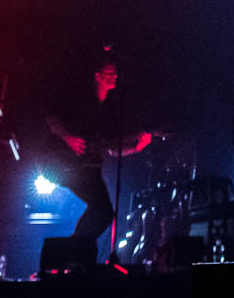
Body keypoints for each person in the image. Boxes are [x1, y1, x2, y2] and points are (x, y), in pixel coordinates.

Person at [43, 55, 154, 251]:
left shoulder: (110, 110)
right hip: (62, 162)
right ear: (97, 75)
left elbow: (112, 148)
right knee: (100, 209)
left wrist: (138, 147)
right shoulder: (79, 99)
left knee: (104, 212)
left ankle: (73, 252)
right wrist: (68, 137)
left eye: (115, 73)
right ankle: (72, 252)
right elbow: (51, 117)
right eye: (109, 72)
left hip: (89, 166)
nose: (114, 76)